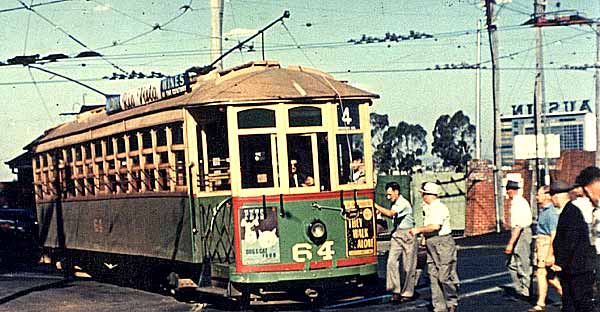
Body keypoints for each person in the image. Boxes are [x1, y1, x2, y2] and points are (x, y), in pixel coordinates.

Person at [552, 167, 599, 312]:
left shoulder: (578, 209)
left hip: (583, 265)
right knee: (577, 303)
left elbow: (570, 239)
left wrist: (561, 261)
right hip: (581, 265)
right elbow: (569, 239)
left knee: (581, 303)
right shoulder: (576, 209)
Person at [409, 182, 459, 312]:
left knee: (444, 276)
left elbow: (436, 226)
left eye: (424, 194)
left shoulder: (439, 208)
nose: (423, 196)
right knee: (433, 276)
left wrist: (418, 230)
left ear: (430, 194)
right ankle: (439, 307)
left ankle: (451, 301)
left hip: (443, 243)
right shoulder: (428, 208)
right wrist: (424, 240)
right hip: (432, 243)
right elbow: (429, 227)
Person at [374, 182, 418, 304]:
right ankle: (395, 291)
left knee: (408, 266)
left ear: (396, 192)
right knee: (391, 262)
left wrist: (375, 206)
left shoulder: (403, 203)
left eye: (389, 194)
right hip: (397, 234)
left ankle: (408, 293)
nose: (388, 197)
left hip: (408, 235)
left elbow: (391, 214)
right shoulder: (395, 203)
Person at [528, 184, 565, 312]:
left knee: (541, 273)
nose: (537, 197)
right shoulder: (543, 211)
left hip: (546, 244)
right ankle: (566, 296)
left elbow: (554, 234)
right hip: (541, 243)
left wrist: (550, 253)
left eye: (539, 194)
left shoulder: (551, 213)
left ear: (547, 196)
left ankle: (541, 303)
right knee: (549, 276)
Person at [504, 180, 533, 300]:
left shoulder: (519, 203)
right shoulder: (517, 202)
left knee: (522, 261)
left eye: (508, 191)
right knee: (512, 264)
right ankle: (519, 288)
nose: (507, 193)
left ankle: (526, 290)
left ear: (511, 191)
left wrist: (510, 243)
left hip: (521, 233)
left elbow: (519, 225)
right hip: (517, 232)